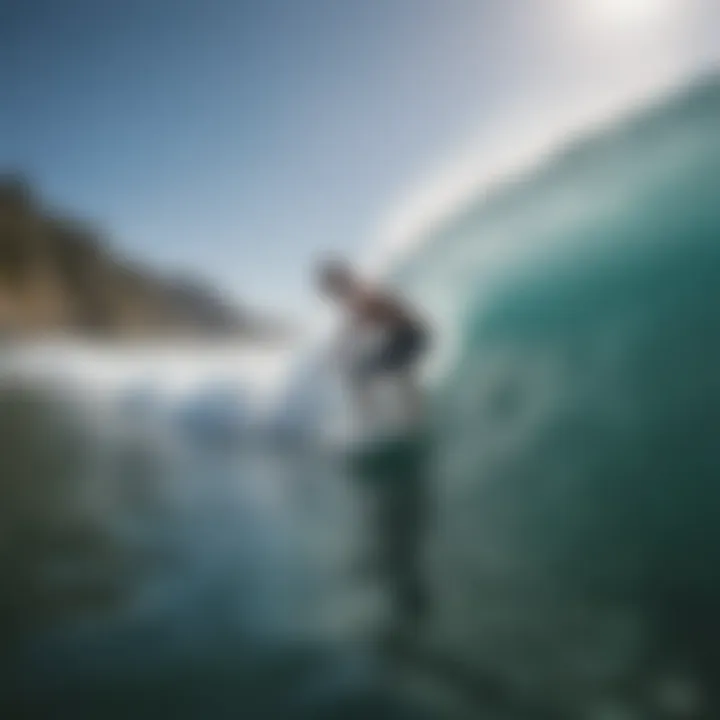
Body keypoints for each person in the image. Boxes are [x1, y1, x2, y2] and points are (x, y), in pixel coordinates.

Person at [317, 258, 430, 430]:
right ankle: (407, 413)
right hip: (403, 336)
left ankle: (381, 421)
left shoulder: (360, 295)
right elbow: (359, 325)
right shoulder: (358, 294)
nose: (332, 295)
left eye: (331, 288)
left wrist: (344, 343)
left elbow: (364, 320)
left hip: (409, 337)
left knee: (364, 375)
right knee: (376, 372)